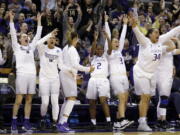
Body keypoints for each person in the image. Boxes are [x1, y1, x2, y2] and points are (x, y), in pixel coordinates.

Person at [131, 17, 180, 131]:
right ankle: (142, 122)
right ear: (150, 35)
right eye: (156, 32)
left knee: (147, 98)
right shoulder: (145, 42)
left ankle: (143, 121)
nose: (158, 34)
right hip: (140, 72)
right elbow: (137, 33)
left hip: (151, 74)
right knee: (145, 96)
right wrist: (133, 25)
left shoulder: (160, 44)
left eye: (159, 32)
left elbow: (173, 32)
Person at [9, 11, 42, 133]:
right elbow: (13, 34)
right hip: (22, 75)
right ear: (20, 39)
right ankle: (14, 122)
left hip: (32, 76)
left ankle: (26, 123)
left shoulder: (31, 47)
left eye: (27, 36)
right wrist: (11, 20)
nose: (26, 37)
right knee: (18, 99)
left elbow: (38, 36)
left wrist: (39, 21)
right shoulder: (16, 47)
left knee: (29, 99)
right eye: (23, 36)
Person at [35, 28, 73, 130]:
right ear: (47, 39)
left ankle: (54, 122)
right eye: (50, 38)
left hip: (55, 79)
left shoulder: (58, 50)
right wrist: (49, 34)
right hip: (44, 79)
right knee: (45, 102)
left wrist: (70, 70)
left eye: (54, 38)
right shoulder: (42, 48)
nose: (52, 39)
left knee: (55, 101)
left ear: (55, 40)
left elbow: (60, 65)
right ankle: (42, 118)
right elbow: (38, 43)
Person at [57, 32, 94, 133]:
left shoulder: (65, 48)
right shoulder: (72, 49)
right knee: (72, 98)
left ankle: (61, 123)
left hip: (66, 74)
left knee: (67, 99)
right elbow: (75, 65)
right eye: (77, 39)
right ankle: (63, 122)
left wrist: (74, 74)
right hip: (67, 75)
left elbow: (69, 65)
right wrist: (88, 69)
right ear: (75, 39)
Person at [105, 13, 134, 130]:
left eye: (117, 42)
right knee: (121, 97)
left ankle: (117, 122)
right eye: (114, 42)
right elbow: (108, 39)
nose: (117, 43)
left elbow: (122, 37)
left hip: (123, 78)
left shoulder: (119, 52)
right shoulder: (109, 53)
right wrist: (106, 22)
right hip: (115, 77)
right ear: (110, 44)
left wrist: (125, 24)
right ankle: (122, 120)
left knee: (125, 99)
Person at [86, 30, 111, 128]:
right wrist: (95, 40)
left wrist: (108, 37)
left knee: (103, 100)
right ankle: (93, 122)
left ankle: (108, 122)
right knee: (92, 102)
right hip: (93, 80)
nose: (99, 50)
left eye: (101, 49)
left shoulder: (106, 56)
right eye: (98, 49)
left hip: (103, 80)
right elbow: (92, 50)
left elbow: (110, 49)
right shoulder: (92, 57)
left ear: (103, 50)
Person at [156, 37, 180, 130]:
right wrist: (170, 38)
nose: (170, 43)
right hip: (162, 76)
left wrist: (177, 40)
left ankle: (160, 120)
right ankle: (163, 120)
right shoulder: (161, 49)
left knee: (161, 100)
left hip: (167, 77)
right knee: (164, 99)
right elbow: (173, 46)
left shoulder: (169, 51)